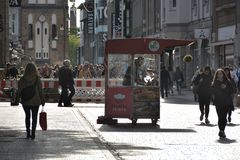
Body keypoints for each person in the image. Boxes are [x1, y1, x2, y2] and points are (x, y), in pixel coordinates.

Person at [15, 63, 45, 139]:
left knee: (27, 116)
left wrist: (17, 100)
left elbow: (19, 90)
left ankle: (28, 132)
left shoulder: (22, 79)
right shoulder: (37, 79)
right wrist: (42, 100)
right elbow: (40, 91)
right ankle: (33, 133)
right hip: (36, 101)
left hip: (25, 101)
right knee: (34, 117)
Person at [211, 69, 234, 138]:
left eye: (221, 73)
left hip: (226, 102)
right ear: (216, 75)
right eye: (218, 74)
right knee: (220, 116)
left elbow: (231, 91)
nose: (220, 75)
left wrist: (225, 88)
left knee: (224, 117)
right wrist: (219, 88)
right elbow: (212, 91)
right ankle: (221, 130)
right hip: (218, 102)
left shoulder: (227, 82)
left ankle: (222, 130)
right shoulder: (215, 82)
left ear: (223, 74)